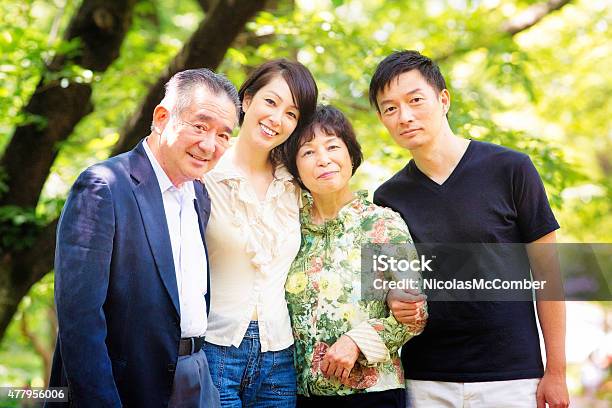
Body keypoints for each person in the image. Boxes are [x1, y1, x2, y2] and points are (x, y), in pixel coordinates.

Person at [369, 50, 570, 407]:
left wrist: (556, 372)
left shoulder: (511, 169)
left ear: (443, 99)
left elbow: (548, 274)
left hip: (512, 377)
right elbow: (393, 287)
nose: (406, 116)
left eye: (416, 100)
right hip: (426, 379)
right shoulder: (388, 197)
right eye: (390, 108)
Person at [47, 69, 239, 407]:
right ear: (162, 117)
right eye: (200, 126)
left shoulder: (200, 195)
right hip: (128, 385)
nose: (210, 144)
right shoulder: (104, 186)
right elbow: (80, 322)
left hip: (198, 378)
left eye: (224, 135)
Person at [283, 105, 427, 408]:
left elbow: (415, 316)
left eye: (333, 146)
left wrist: (357, 342)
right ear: (295, 168)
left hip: (373, 395)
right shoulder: (286, 228)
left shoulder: (382, 225)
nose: (323, 159)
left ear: (351, 155)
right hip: (297, 396)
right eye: (308, 152)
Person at [202, 59, 318, 407]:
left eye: (292, 113)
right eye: (271, 102)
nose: (277, 119)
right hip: (215, 349)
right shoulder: (205, 173)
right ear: (247, 100)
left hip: (278, 356)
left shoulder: (295, 184)